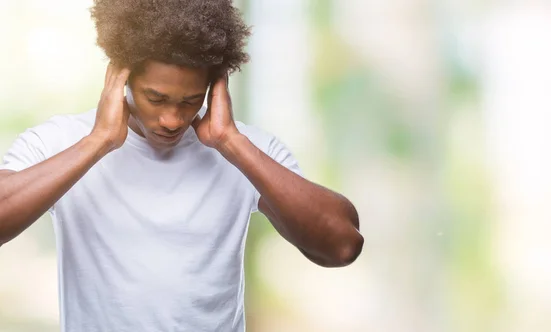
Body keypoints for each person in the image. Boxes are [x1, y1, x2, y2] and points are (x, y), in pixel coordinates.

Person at [0, 0, 363, 331]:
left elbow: (342, 245)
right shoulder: (60, 143)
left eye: (191, 100)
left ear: (214, 86)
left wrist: (229, 142)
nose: (172, 120)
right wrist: (98, 142)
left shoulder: (248, 152)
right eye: (155, 98)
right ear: (119, 77)